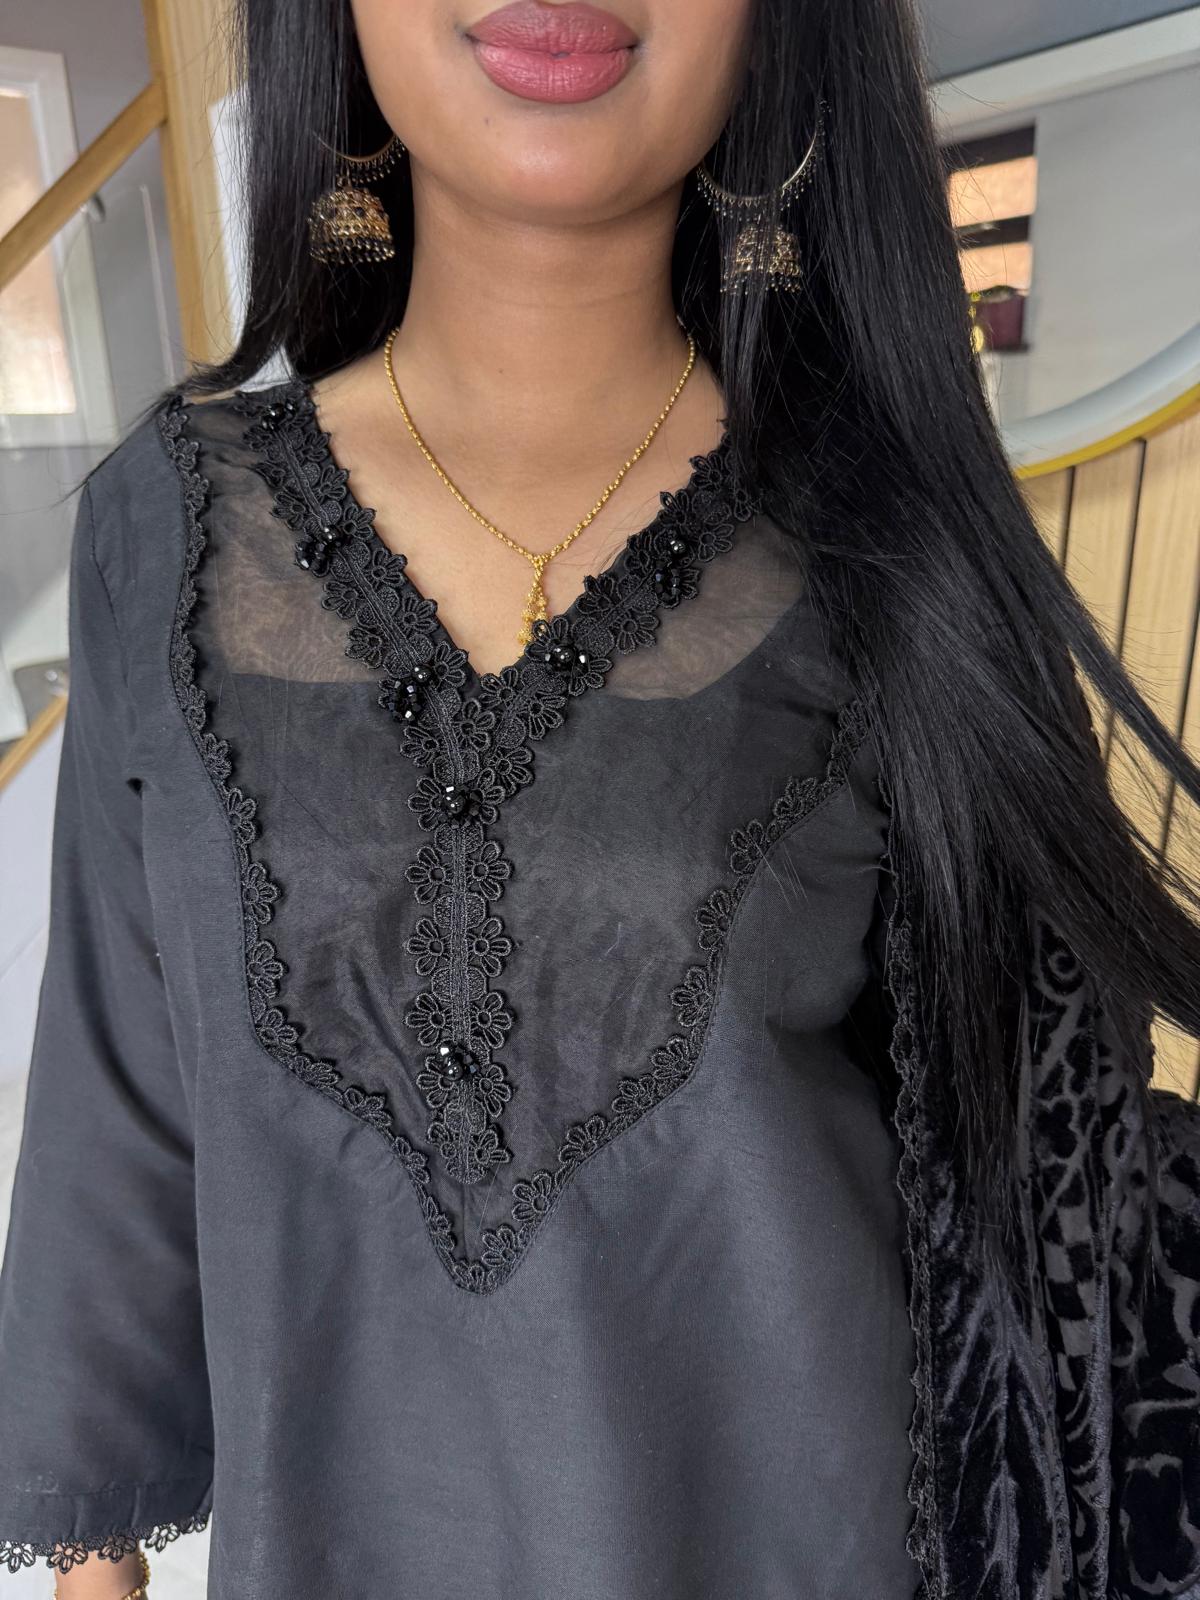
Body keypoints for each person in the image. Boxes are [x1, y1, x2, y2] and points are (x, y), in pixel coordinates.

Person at [2, 1, 1199, 1596]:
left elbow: (1057, 1199)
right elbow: (121, 1108)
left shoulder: (898, 548)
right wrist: (90, 1567)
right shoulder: (163, 530)